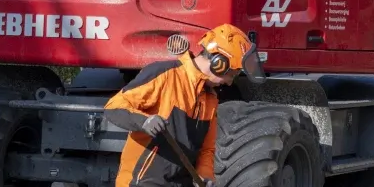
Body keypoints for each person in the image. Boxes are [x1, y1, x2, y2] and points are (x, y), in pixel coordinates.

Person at [104, 23, 265, 187]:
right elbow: (113, 107)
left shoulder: (210, 99)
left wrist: (204, 176)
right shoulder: (165, 75)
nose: (230, 83)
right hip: (141, 182)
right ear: (219, 63)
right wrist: (144, 121)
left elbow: (206, 150)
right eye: (232, 74)